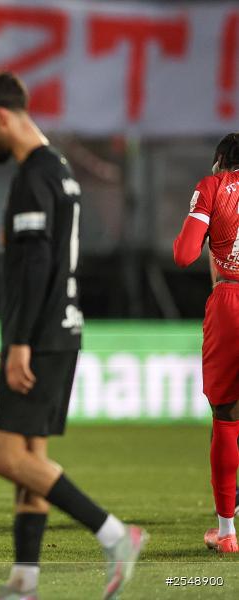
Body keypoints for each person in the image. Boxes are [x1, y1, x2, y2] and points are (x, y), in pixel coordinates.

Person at [0, 71, 145, 599]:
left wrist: (18, 341)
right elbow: (37, 253)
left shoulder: (34, 175)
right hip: (62, 328)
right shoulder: (58, 170)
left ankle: (116, 535)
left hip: (39, 336)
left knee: (3, 454)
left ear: (1, 116)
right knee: (30, 458)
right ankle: (25, 580)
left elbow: (36, 265)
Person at [173, 132, 239, 553]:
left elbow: (183, 254)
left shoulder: (212, 187)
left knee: (226, 417)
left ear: (221, 159)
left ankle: (227, 532)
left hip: (230, 301)